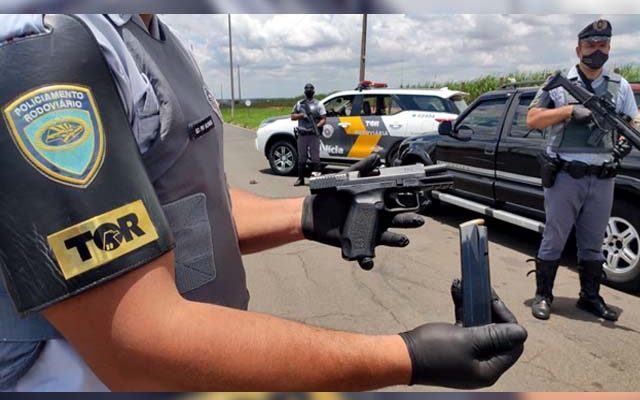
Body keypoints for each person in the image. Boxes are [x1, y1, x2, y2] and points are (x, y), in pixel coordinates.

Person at [0, 14, 526, 391]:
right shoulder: (43, 39)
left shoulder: (152, 33)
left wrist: (307, 215)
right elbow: (134, 343)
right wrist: (408, 357)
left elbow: (187, 201)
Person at [526, 19, 638, 321]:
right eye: (590, 45)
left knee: (594, 241)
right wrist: (567, 111)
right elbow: (533, 119)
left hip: (602, 178)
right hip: (565, 175)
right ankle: (544, 295)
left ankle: (590, 297)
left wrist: (624, 145)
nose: (596, 51)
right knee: (555, 237)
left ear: (609, 48)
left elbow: (633, 121)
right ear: (579, 49)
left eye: (603, 45)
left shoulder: (619, 85)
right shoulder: (560, 82)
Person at [291, 83, 326, 186]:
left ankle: (317, 180)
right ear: (305, 92)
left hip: (313, 134)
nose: (309, 92)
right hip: (302, 134)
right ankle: (300, 179)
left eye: (310, 91)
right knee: (302, 157)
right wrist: (301, 115)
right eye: (307, 91)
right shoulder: (299, 104)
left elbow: (324, 119)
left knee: (315, 157)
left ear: (314, 92)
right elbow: (292, 116)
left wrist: (317, 126)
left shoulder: (319, 104)